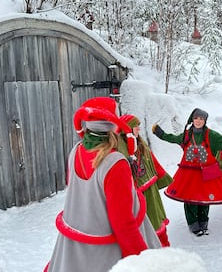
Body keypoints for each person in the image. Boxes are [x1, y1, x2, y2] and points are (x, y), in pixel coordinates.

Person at [45, 97, 161, 272]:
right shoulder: (115, 163)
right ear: (113, 124)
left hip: (77, 251)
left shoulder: (76, 151)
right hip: (107, 254)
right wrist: (142, 261)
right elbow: (123, 224)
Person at [152, 108, 222, 236]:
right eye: (196, 118)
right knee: (190, 198)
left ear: (205, 121)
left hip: (207, 173)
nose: (198, 121)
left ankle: (203, 222)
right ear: (192, 119)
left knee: (205, 196)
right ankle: (193, 224)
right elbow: (173, 138)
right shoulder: (187, 135)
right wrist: (160, 133)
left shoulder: (212, 136)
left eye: (201, 119)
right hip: (189, 174)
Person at [119, 114, 173, 247]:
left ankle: (163, 246)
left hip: (151, 190)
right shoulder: (121, 149)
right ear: (128, 129)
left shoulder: (141, 143)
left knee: (156, 218)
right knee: (145, 222)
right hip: (137, 194)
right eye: (135, 126)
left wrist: (164, 178)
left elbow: (152, 161)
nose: (138, 129)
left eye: (138, 126)